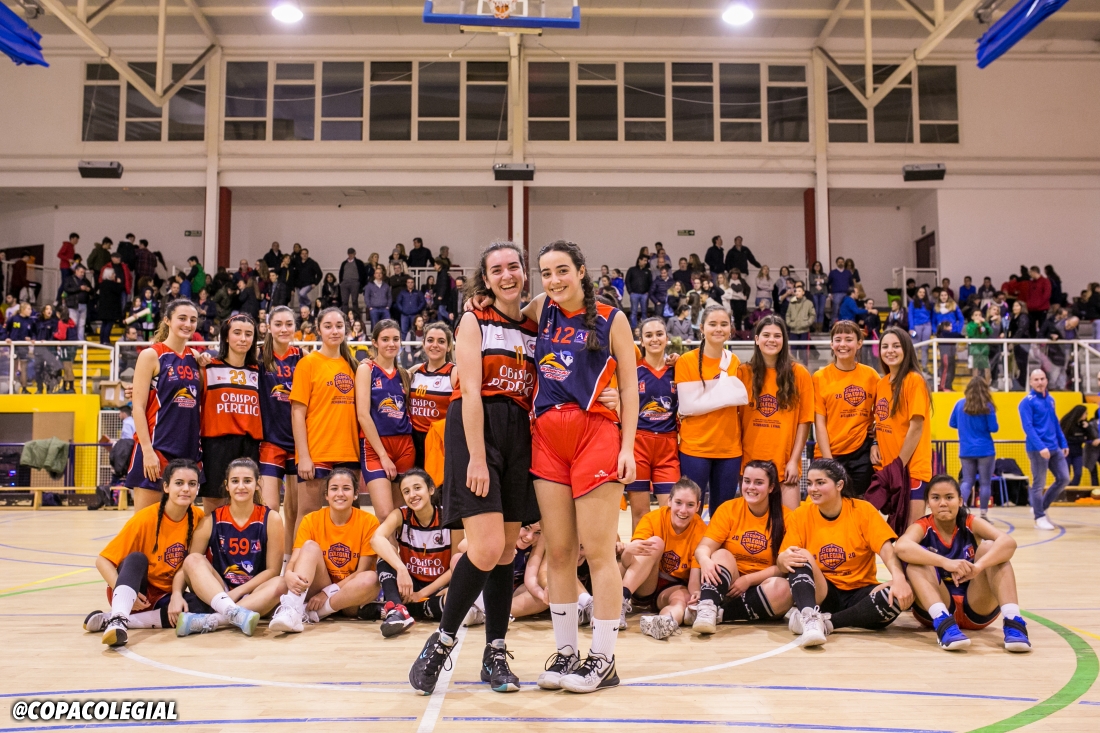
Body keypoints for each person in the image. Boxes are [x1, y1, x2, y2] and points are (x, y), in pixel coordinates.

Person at [407, 242, 540, 696]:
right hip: (476, 430)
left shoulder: (534, 322)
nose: (507, 275)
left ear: (525, 272)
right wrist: (478, 457)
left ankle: (495, 652)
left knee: (505, 551)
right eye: (496, 270)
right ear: (485, 278)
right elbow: (468, 390)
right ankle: (442, 642)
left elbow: (559, 296)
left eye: (514, 267)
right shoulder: (473, 319)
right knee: (484, 547)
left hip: (520, 432)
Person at [519, 240, 638, 693]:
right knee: (560, 553)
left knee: (600, 552)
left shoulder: (612, 318)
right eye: (546, 273)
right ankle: (567, 652)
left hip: (595, 435)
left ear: (582, 271)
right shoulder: (540, 308)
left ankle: (603, 660)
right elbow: (499, 315)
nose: (554, 280)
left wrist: (628, 447)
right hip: (548, 439)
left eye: (562, 270)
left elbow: (630, 389)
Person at [778, 459, 913, 647]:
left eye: (820, 483)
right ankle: (810, 617)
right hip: (824, 592)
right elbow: (784, 560)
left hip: (860, 594)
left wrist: (899, 579)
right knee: (799, 556)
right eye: (809, 483)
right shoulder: (801, 515)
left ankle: (827, 623)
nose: (813, 489)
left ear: (839, 485)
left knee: (899, 593)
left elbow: (887, 550)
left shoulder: (863, 510)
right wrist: (782, 559)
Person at [895, 476, 1031, 652]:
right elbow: (901, 547)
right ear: (928, 503)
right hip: (938, 605)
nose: (943, 503)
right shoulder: (923, 525)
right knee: (916, 561)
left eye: (949, 497)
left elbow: (1008, 542)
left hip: (976, 605)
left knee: (991, 548)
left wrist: (978, 567)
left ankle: (1014, 623)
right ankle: (943, 624)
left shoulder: (969, 522)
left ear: (960, 501)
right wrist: (945, 562)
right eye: (936, 498)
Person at [83, 460, 204, 646]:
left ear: (197, 488)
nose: (186, 489)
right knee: (136, 558)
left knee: (203, 605)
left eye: (192, 484)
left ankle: (114, 620)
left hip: (165, 596)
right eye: (179, 483)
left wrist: (177, 595)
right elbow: (102, 561)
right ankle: (119, 617)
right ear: (166, 487)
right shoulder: (145, 518)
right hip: (134, 591)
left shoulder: (199, 519)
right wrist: (121, 589)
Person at [173, 458, 285, 637]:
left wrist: (239, 592)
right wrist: (176, 594)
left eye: (247, 481)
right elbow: (188, 567)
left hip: (254, 593)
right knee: (193, 559)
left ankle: (216, 619)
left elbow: (273, 571)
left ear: (257, 484)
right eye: (235, 481)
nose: (241, 486)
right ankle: (233, 612)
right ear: (227, 485)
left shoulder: (271, 519)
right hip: (219, 590)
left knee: (282, 583)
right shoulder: (211, 520)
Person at [268, 469, 381, 633]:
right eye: (334, 488)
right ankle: (291, 609)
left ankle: (309, 612)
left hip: (347, 593)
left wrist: (327, 593)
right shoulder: (311, 520)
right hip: (317, 586)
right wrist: (289, 573)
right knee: (310, 546)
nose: (340, 494)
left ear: (356, 494)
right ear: (326, 495)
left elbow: (361, 571)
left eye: (346, 488)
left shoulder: (369, 521)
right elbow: (295, 558)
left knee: (371, 579)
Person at [692, 460, 792, 633]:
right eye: (747, 481)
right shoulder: (728, 509)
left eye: (758, 482)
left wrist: (748, 580)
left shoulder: (787, 517)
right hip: (729, 584)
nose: (751, 487)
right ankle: (707, 607)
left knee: (785, 589)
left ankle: (719, 614)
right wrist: (705, 560)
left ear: (771, 487)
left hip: (762, 589)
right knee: (720, 554)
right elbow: (703, 548)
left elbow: (783, 568)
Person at [289, 308, 361, 542]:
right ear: (318, 330)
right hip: (317, 451)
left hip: (348, 451)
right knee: (308, 513)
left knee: (350, 515)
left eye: (339, 326)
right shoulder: (307, 363)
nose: (334, 331)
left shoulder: (354, 365)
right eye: (328, 326)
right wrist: (304, 456)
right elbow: (297, 413)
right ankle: (298, 560)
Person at [126, 299, 203, 512]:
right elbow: (138, 407)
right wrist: (147, 451)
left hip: (187, 449)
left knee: (179, 523)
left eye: (193, 320)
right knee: (147, 522)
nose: (188, 324)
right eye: (182, 318)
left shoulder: (196, 358)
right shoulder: (151, 355)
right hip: (157, 446)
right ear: (168, 320)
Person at [737, 315, 814, 509]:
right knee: (754, 523)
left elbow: (804, 422)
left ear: (784, 340)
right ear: (756, 339)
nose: (771, 340)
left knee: (790, 523)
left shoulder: (800, 374)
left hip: (785, 467)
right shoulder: (743, 373)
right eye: (766, 335)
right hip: (749, 466)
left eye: (777, 336)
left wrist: (794, 461)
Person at [675, 304, 743, 516]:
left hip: (729, 449)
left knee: (722, 514)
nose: (718, 329)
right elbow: (687, 406)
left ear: (731, 329)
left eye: (724, 324)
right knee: (690, 512)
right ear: (702, 328)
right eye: (712, 324)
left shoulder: (734, 361)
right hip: (695, 448)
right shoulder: (686, 361)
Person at [370, 468, 453, 637]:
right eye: (406, 491)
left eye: (417, 488)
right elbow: (376, 539)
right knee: (385, 558)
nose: (412, 495)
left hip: (437, 587)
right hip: (408, 584)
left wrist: (421, 594)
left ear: (431, 489)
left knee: (453, 603)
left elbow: (455, 566)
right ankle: (398, 609)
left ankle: (397, 609)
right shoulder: (400, 515)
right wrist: (401, 569)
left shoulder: (448, 516)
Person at [619, 478, 704, 640]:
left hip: (670, 587)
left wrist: (695, 595)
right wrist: (628, 551)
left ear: (698, 506)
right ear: (669, 501)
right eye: (678, 503)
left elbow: (694, 577)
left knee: (683, 600)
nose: (683, 510)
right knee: (656, 543)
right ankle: (619, 602)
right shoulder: (653, 518)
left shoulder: (700, 530)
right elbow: (627, 562)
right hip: (643, 581)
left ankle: (663, 623)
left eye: (690, 505)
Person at [198, 315, 261, 512]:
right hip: (216, 445)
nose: (243, 338)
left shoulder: (258, 371)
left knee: (247, 506)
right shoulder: (208, 367)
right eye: (237, 333)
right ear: (226, 336)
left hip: (250, 445)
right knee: (214, 508)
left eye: (248, 334)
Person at [355, 319, 415, 520]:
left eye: (396, 339)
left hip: (404, 446)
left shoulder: (405, 375)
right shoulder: (367, 370)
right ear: (375, 342)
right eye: (385, 339)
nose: (391, 343)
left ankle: (398, 544)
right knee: (384, 513)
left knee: (401, 514)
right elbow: (363, 415)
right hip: (375, 447)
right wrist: (383, 455)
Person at [812, 321, 881, 497]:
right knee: (829, 504)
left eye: (848, 339)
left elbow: (882, 415)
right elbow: (819, 424)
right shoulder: (819, 377)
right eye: (838, 339)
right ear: (831, 344)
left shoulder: (871, 376)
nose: (842, 344)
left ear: (859, 343)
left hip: (862, 453)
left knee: (858, 505)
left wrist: (875, 441)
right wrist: (829, 461)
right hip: (830, 452)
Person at [874, 328, 933, 524]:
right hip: (891, 472)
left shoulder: (914, 380)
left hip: (911, 470)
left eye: (896, 346)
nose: (890, 350)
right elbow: (880, 421)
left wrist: (898, 466)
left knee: (911, 535)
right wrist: (874, 443)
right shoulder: (881, 384)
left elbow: (916, 427)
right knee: (896, 532)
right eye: (885, 346)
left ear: (906, 349)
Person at [627, 318, 680, 530]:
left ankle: (667, 553)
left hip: (668, 447)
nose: (654, 339)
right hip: (638, 444)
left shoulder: (678, 369)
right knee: (640, 514)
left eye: (659, 334)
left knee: (670, 513)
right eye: (648, 335)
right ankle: (639, 551)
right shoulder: (632, 370)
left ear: (667, 338)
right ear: (641, 341)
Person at [1019, 369, 1069, 530]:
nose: (1040, 382)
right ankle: (1039, 517)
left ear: (1046, 380)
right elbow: (1028, 427)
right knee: (1039, 484)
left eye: (1042, 379)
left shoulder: (1050, 399)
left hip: (1055, 447)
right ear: (1031, 382)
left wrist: (1063, 443)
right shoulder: (1026, 402)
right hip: (1037, 449)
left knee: (1064, 478)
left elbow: (1055, 422)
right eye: (1036, 379)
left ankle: (1041, 506)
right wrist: (1041, 447)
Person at [950, 378, 999, 518]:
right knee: (985, 483)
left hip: (966, 449)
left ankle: (958, 511)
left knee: (967, 481)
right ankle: (983, 514)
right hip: (985, 449)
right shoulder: (987, 406)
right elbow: (994, 428)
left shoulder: (960, 404)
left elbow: (952, 423)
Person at [408, 322, 455, 468]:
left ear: (448, 346)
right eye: (430, 340)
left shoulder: (454, 373)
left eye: (441, 341)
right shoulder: (415, 371)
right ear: (423, 344)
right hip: (413, 440)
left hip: (440, 441)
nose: (435, 345)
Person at [932, 290, 965, 391]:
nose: (943, 296)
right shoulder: (936, 308)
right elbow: (933, 321)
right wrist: (936, 332)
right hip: (942, 338)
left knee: (951, 363)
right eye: (941, 295)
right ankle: (943, 385)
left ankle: (948, 385)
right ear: (939, 296)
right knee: (945, 363)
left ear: (948, 296)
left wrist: (957, 331)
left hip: (952, 336)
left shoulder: (954, 306)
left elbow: (961, 319)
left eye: (945, 295)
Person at [1063, 405, 1093, 487]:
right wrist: (1081, 439)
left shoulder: (1083, 424)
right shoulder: (1067, 423)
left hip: (1078, 453)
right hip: (1066, 452)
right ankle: (1066, 489)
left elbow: (1090, 437)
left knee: (1078, 473)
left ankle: (1072, 488)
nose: (1086, 415)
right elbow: (1066, 438)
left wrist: (1087, 428)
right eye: (1085, 413)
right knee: (1065, 475)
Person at [785, 283, 815, 359]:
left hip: (804, 330)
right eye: (796, 291)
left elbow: (812, 315)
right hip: (793, 330)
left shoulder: (808, 303)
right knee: (793, 351)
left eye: (799, 291)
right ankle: (793, 366)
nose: (797, 293)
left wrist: (806, 323)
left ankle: (803, 366)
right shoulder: (791, 303)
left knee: (804, 351)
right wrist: (789, 323)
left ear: (803, 292)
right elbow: (788, 315)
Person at [907, 285, 933, 370]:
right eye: (920, 292)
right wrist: (911, 328)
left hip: (927, 325)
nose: (922, 294)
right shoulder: (912, 303)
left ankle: (924, 367)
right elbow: (910, 316)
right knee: (915, 347)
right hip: (916, 326)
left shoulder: (929, 303)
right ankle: (914, 367)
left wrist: (932, 328)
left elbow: (932, 315)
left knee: (925, 347)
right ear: (917, 293)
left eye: (923, 292)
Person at [96, 268, 125, 345]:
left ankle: (102, 340)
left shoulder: (102, 284)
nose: (114, 275)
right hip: (111, 309)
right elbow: (119, 290)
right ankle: (106, 340)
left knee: (104, 324)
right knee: (109, 324)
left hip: (103, 308)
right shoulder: (112, 284)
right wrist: (119, 283)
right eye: (113, 274)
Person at [964, 309, 993, 384]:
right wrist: (975, 325)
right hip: (975, 349)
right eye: (976, 315)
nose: (978, 317)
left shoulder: (984, 324)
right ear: (972, 317)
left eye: (980, 315)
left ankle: (987, 385)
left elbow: (990, 332)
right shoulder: (970, 325)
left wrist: (985, 323)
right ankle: (975, 385)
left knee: (987, 368)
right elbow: (970, 334)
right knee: (975, 368)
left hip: (984, 349)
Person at [1008, 300, 1031, 388]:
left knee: (1022, 364)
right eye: (1014, 306)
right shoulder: (1013, 317)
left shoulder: (1023, 317)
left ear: (1022, 307)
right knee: (1016, 363)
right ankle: (1017, 384)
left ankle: (1022, 384)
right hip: (1016, 343)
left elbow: (1021, 330)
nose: (1014, 308)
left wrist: (1013, 342)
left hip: (1022, 343)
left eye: (1017, 306)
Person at [626, 254, 653, 328]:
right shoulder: (632, 270)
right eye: (644, 260)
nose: (646, 262)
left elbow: (651, 283)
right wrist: (630, 291)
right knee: (633, 312)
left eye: (646, 261)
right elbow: (627, 281)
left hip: (644, 294)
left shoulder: (648, 271)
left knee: (644, 312)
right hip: (634, 294)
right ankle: (634, 328)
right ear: (639, 260)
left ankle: (644, 327)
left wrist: (648, 292)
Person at [1025, 266, 1051, 334]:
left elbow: (1046, 295)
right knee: (1031, 325)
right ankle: (1032, 338)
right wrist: (1028, 304)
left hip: (1042, 308)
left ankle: (1041, 339)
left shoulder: (1045, 281)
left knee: (1042, 325)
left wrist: (1038, 304)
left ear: (1034, 272)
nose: (1030, 274)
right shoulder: (1031, 283)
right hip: (1031, 308)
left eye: (1030, 272)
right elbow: (1028, 294)